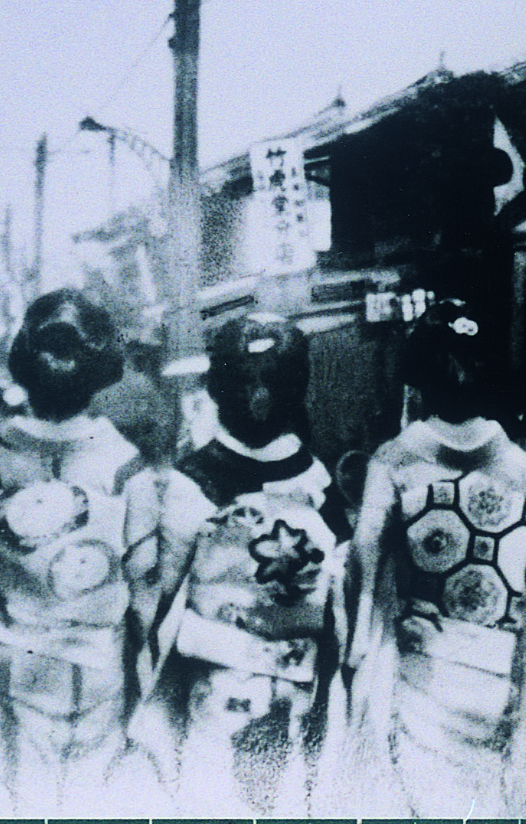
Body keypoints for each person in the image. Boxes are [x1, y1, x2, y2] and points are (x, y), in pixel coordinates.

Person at [0, 289, 162, 813]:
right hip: (97, 665)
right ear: (101, 374)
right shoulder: (125, 465)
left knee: (12, 796)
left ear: (23, 368)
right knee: (90, 797)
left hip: (8, 658)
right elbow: (145, 575)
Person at [342, 296, 526, 816]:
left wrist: (355, 648)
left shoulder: (394, 462)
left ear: (417, 377)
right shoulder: (518, 468)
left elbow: (361, 567)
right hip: (497, 678)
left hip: (422, 673)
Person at [134, 313, 347, 815]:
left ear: (215, 390)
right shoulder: (318, 482)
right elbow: (342, 599)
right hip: (293, 691)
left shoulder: (192, 482)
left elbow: (159, 600)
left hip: (216, 691)